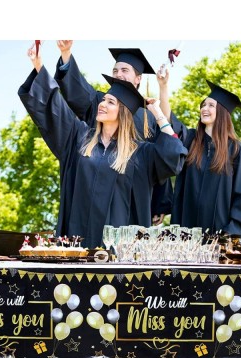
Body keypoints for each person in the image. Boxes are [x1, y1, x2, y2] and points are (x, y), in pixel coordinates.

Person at [18, 44, 186, 249]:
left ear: (123, 111)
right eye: (103, 99)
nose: (102, 103)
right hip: (78, 245)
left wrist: (158, 113)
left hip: (120, 251)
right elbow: (55, 107)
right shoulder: (80, 138)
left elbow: (172, 153)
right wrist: (39, 67)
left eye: (110, 102)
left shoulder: (140, 153)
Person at [54, 41, 172, 226]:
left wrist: (159, 204)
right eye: (115, 71)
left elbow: (159, 157)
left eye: (125, 70)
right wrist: (66, 54)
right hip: (95, 189)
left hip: (132, 196)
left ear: (138, 78)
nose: (118, 74)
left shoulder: (148, 115)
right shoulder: (100, 102)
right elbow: (78, 90)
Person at [157, 70, 241, 247]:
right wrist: (163, 87)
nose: (204, 109)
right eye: (203, 105)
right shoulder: (191, 140)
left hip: (219, 243)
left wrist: (226, 239)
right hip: (187, 241)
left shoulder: (235, 150)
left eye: (211, 105)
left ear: (223, 113)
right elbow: (167, 123)